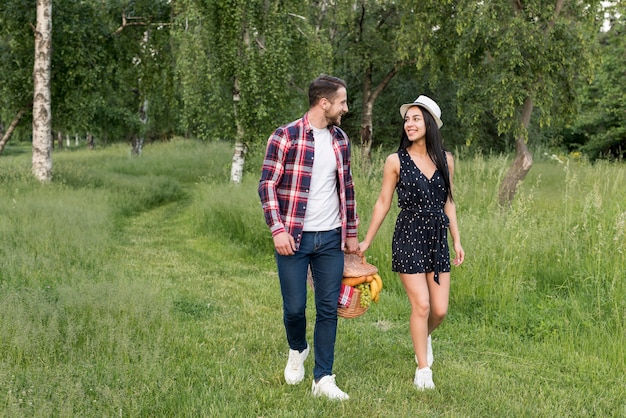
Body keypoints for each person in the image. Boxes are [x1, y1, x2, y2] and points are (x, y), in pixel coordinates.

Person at [258, 74, 359, 400]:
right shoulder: (284, 136)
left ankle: (323, 379)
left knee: (328, 309)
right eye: (342, 101)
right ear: (324, 102)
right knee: (295, 309)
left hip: (330, 239)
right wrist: (277, 229)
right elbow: (267, 185)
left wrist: (351, 234)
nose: (346, 108)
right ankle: (297, 349)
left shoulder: (340, 139)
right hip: (293, 238)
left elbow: (348, 188)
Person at [358, 95, 464, 390]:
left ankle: (423, 336)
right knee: (421, 305)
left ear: (429, 123)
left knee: (439, 310)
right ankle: (423, 369)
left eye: (416, 118)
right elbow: (382, 203)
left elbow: (449, 202)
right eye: (407, 119)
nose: (410, 124)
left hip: (437, 239)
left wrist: (457, 239)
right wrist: (367, 240)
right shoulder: (395, 161)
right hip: (408, 235)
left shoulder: (447, 159)